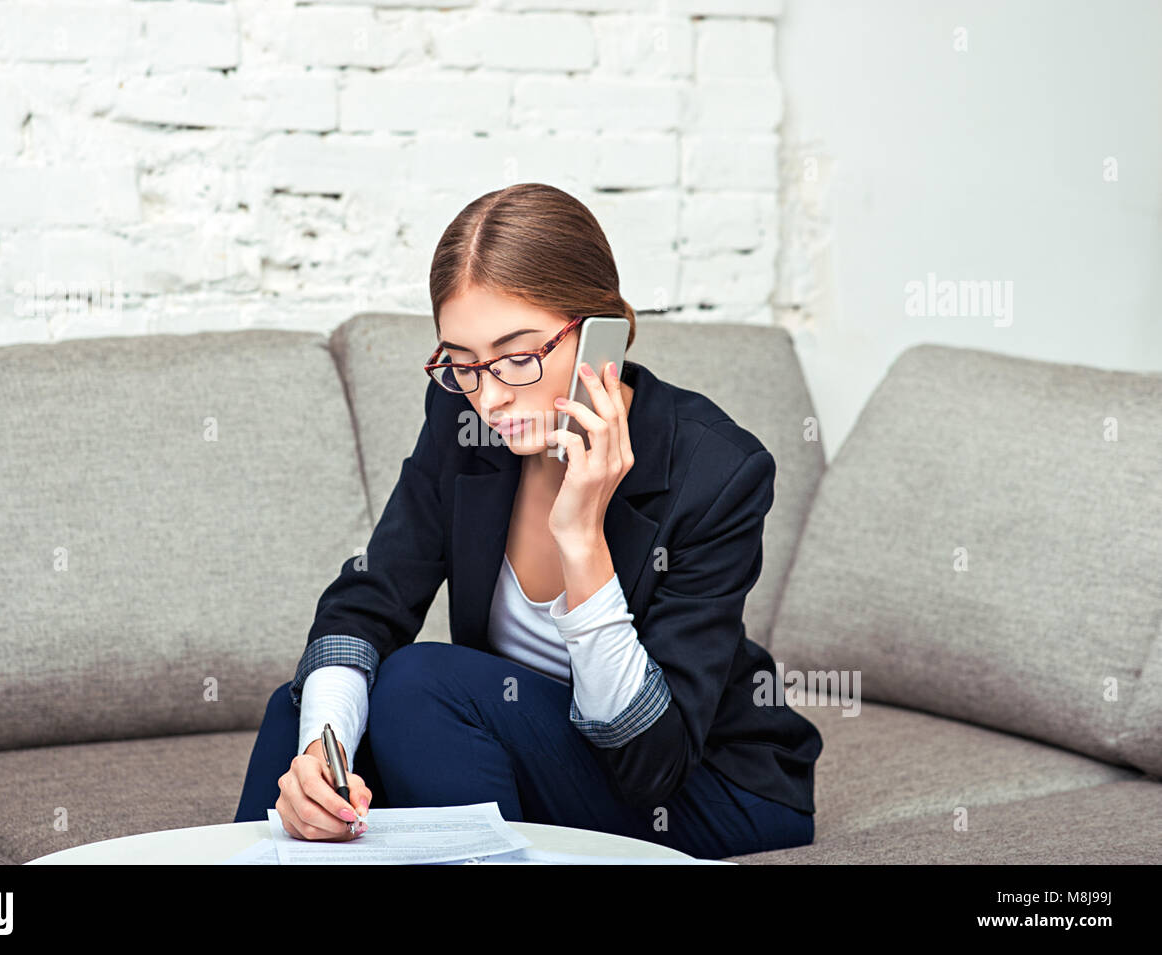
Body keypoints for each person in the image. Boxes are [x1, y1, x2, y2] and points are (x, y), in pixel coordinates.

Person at [235, 182, 823, 859]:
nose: (488, 396)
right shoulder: (462, 420)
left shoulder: (717, 471)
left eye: (518, 357)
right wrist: (324, 755)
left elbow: (652, 765)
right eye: (462, 364)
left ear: (602, 329)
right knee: (306, 711)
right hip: (545, 745)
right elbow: (370, 599)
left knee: (419, 684)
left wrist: (582, 539)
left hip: (703, 783)